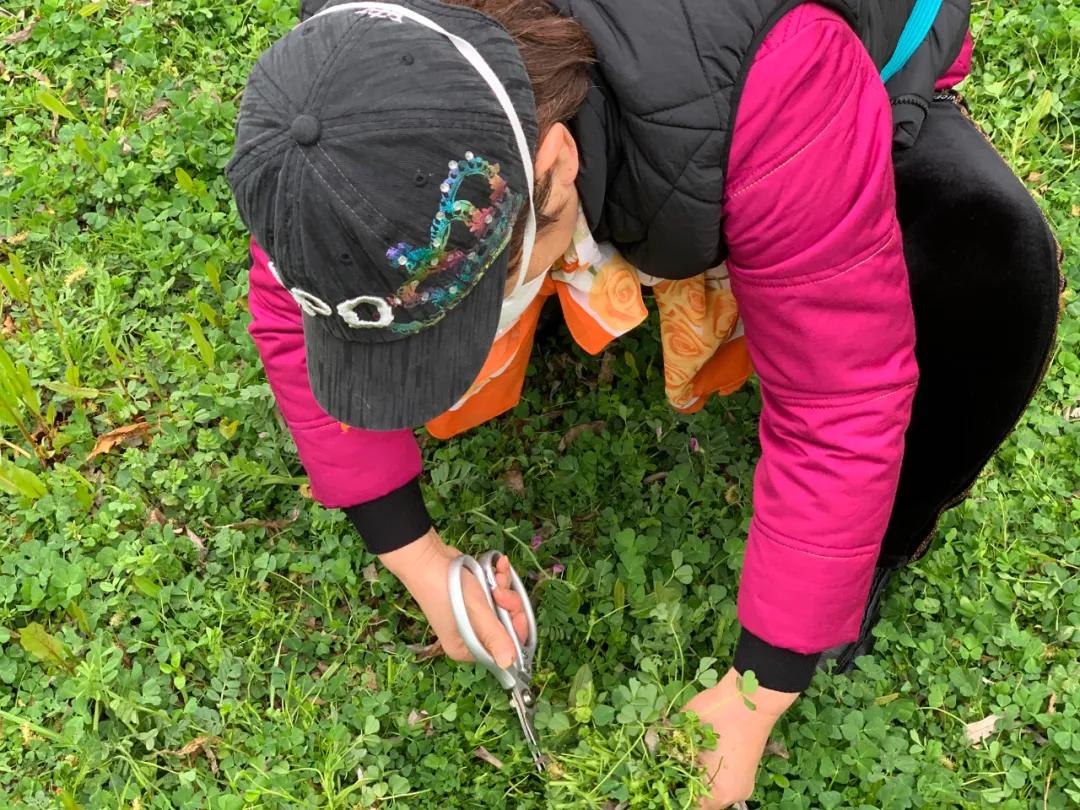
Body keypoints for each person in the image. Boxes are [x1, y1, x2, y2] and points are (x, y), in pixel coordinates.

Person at [225, 0, 1061, 805]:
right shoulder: (346, 85)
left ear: (555, 166)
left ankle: (882, 539)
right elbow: (297, 289)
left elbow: (840, 399)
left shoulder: (783, 76)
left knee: (987, 257)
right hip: (667, 105)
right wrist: (419, 561)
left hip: (784, 65)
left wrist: (757, 694)